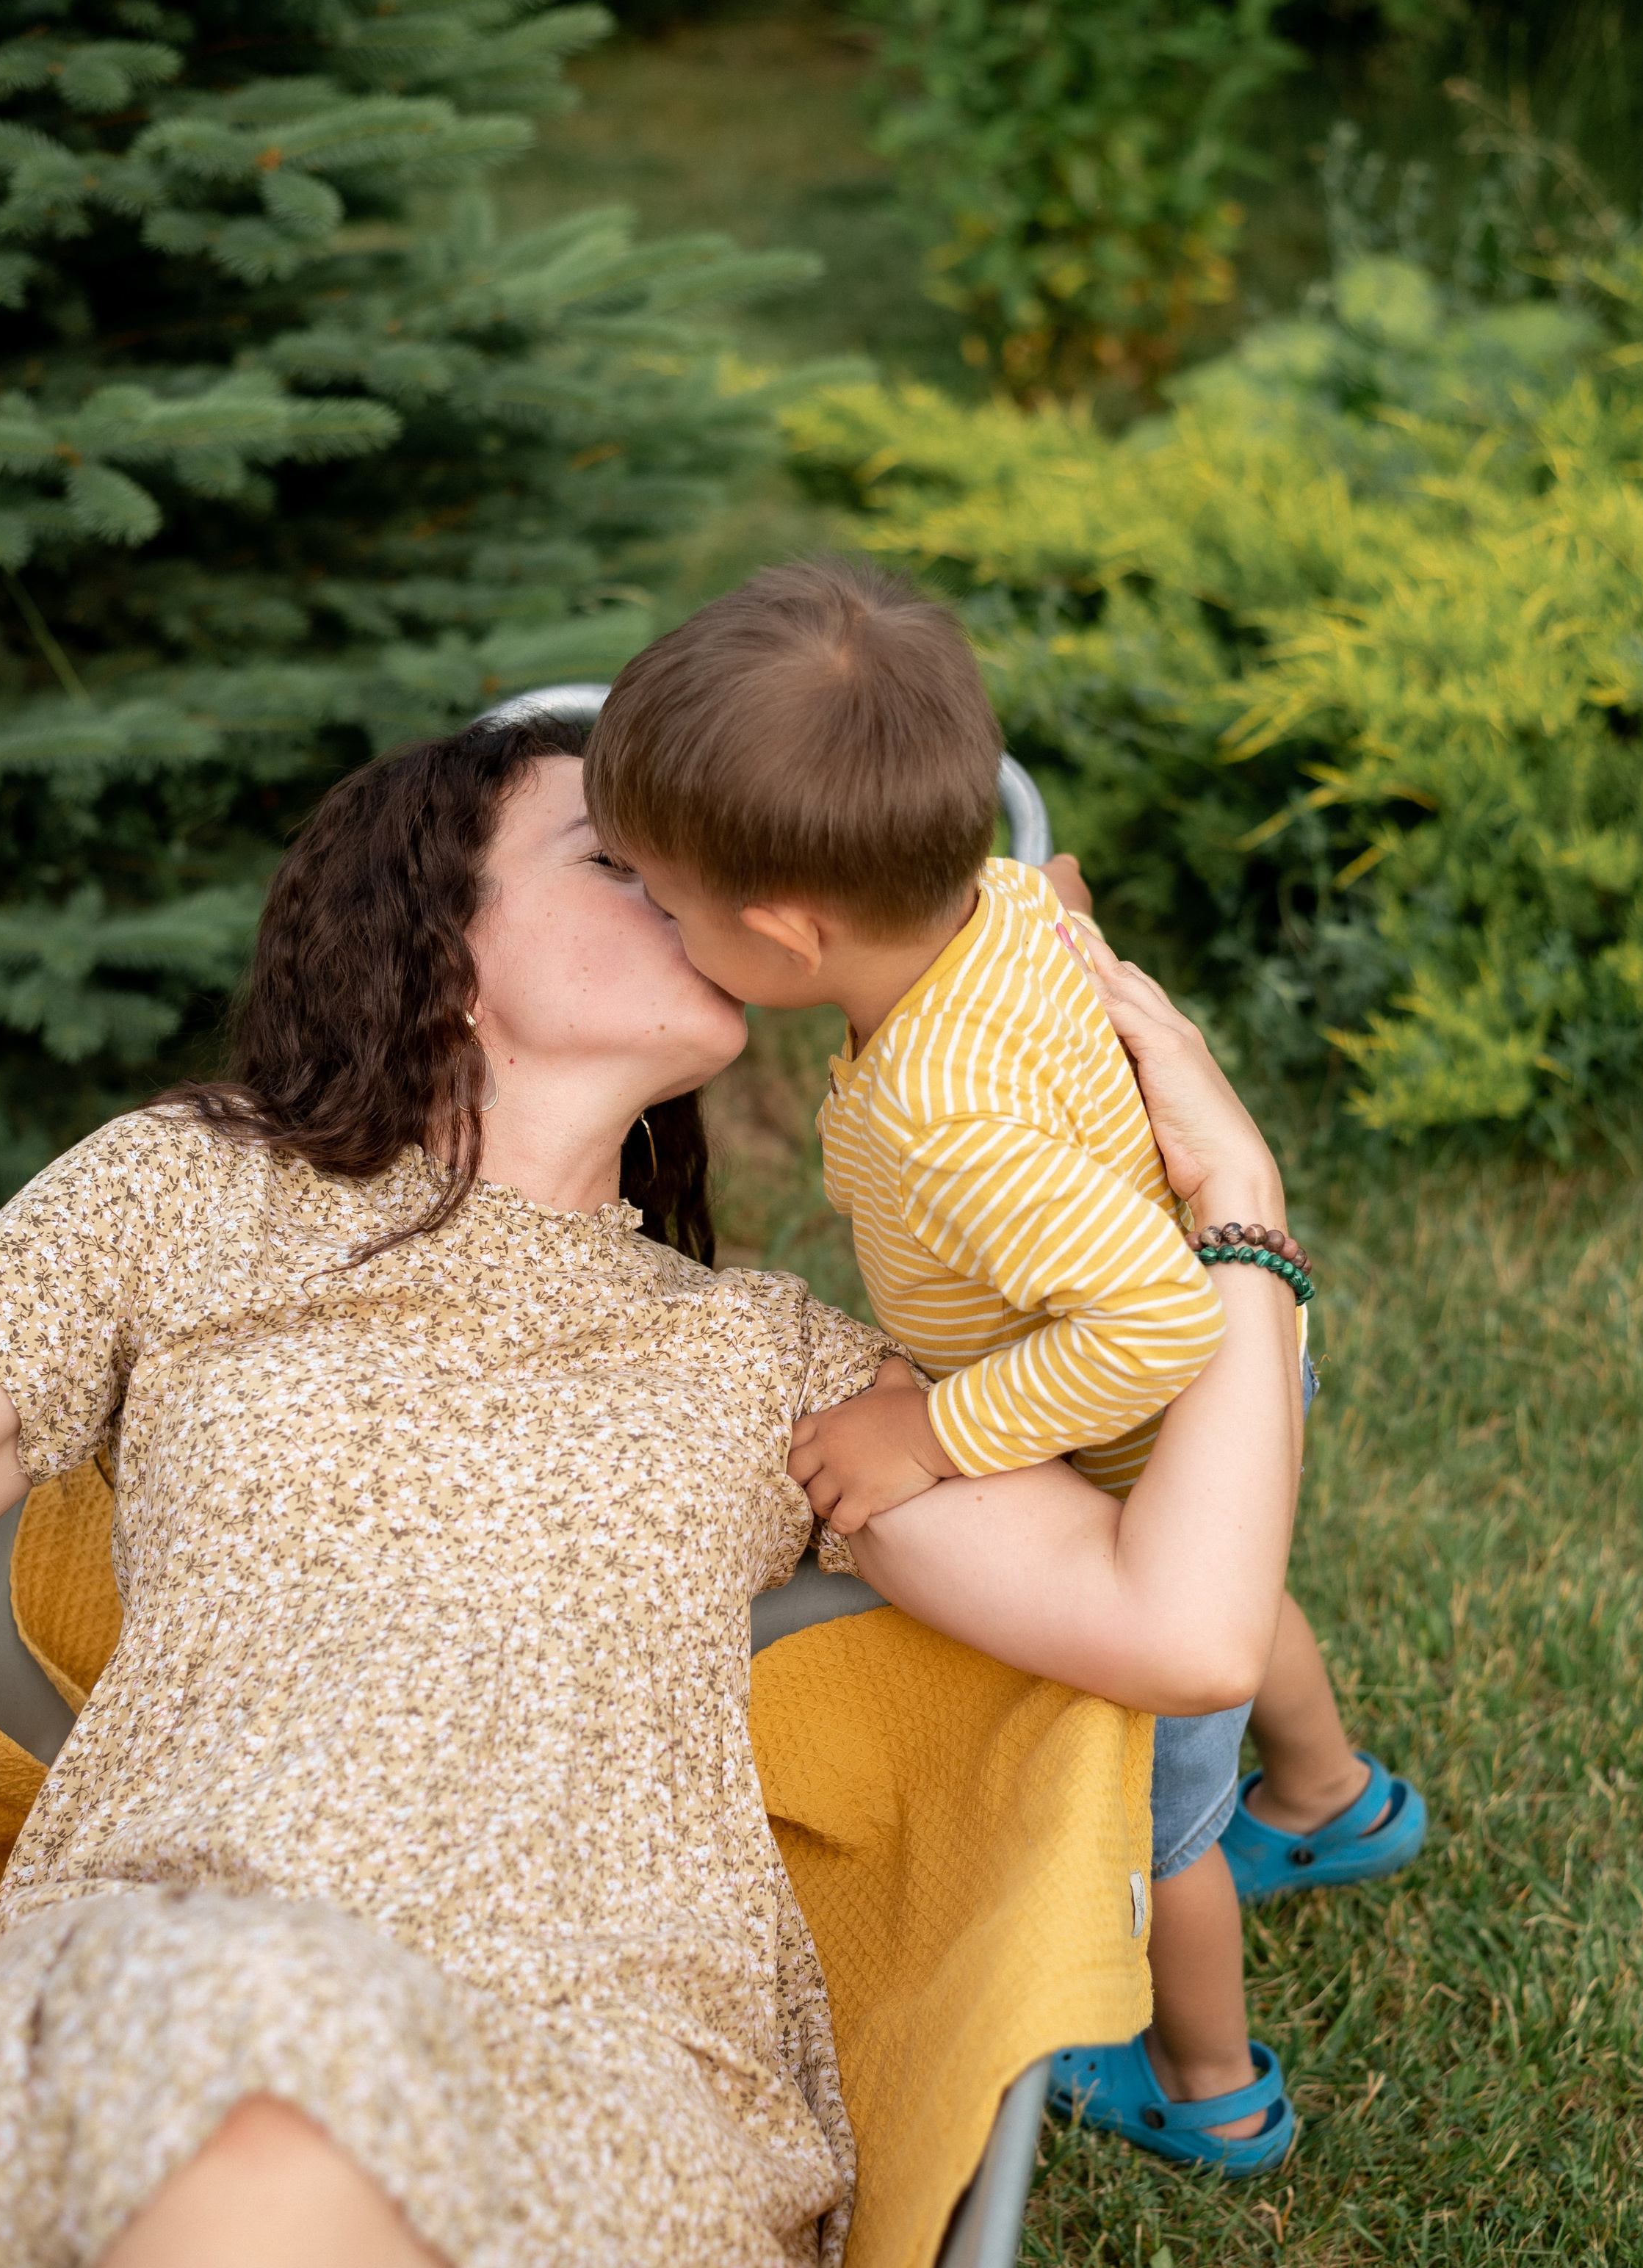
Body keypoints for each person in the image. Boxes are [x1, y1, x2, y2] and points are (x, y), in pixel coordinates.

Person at [0, 711, 1304, 2268]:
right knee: (230, 2077)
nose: (692, 897)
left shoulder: (773, 1365)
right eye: (614, 855)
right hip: (147, 1993)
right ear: (427, 921)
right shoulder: (175, 1199)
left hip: (594, 2093)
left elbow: (1187, 1623)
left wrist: (1233, 1201)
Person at [585, 562, 1426, 2179]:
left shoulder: (942, 1119)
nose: (655, 926)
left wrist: (933, 1430)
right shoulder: (1002, 896)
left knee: (1160, 1819)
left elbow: (1156, 1329)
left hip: (1157, 1436)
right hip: (1240, 1379)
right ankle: (1327, 1794)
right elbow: (1065, 929)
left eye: (665, 901)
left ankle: (1206, 2085)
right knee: (1254, 1595)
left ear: (782, 931)